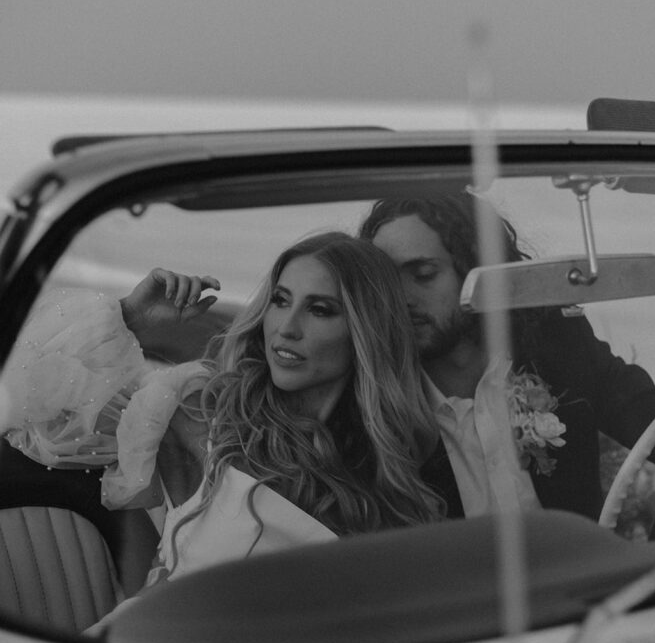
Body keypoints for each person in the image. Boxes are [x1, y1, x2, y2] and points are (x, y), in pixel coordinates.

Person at [1, 232, 444, 602]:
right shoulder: (205, 414)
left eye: (320, 309)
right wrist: (129, 318)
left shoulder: (390, 481)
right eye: (281, 300)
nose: (286, 327)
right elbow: (33, 414)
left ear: (366, 331)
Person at [359, 193, 655, 522]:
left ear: (479, 268)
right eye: (385, 282)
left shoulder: (558, 344)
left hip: (588, 572)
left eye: (423, 274)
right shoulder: (370, 406)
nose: (400, 299)